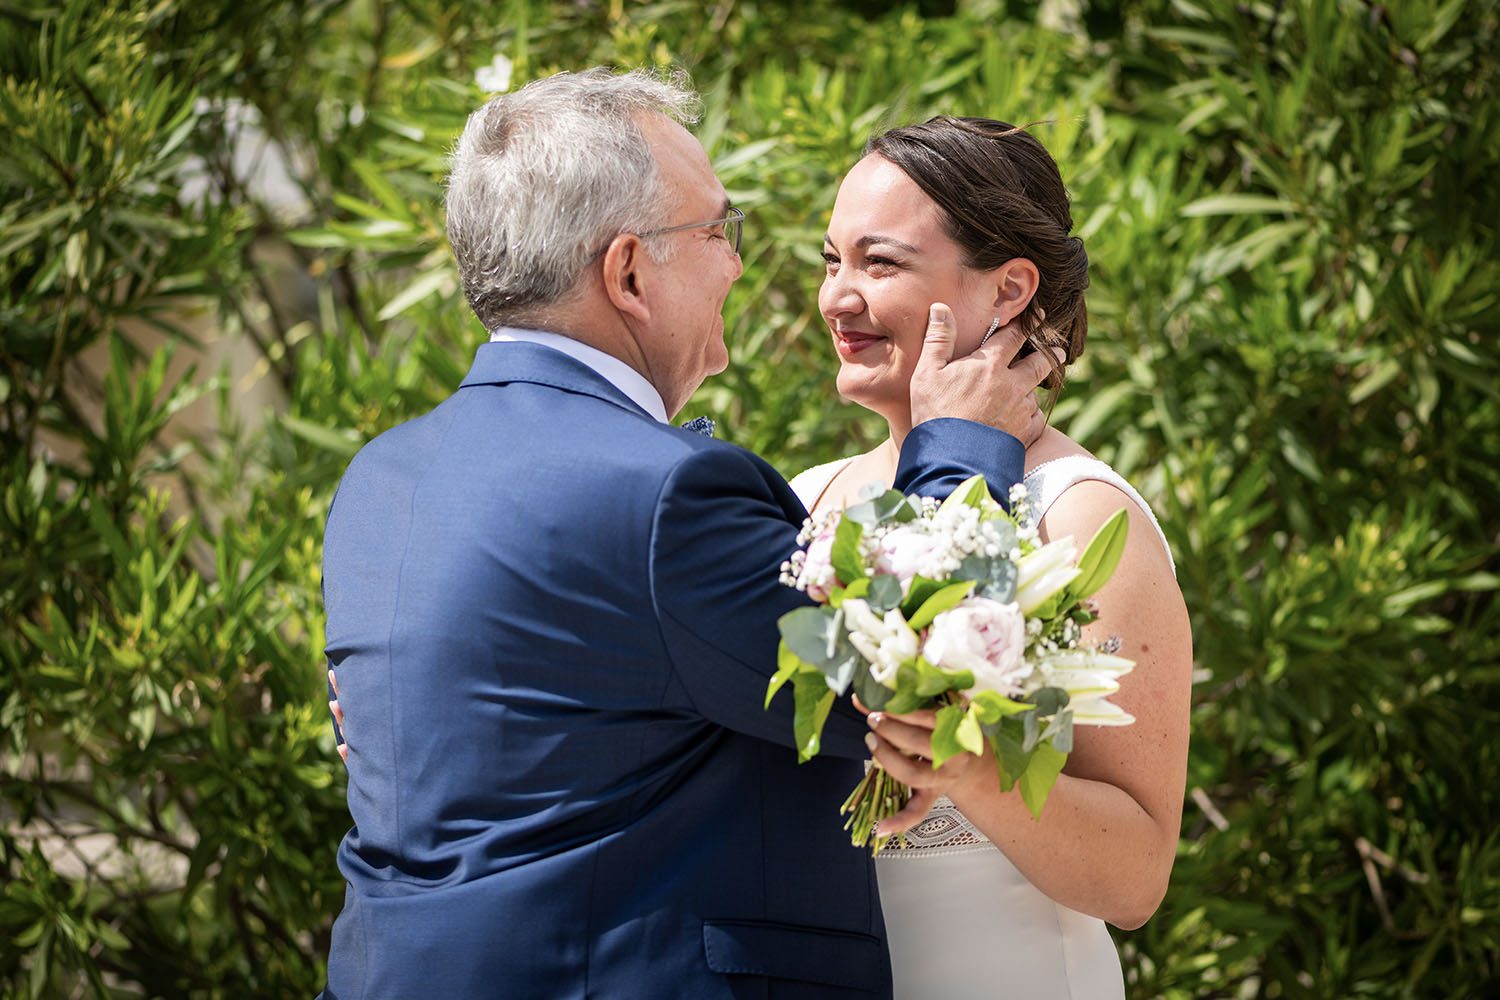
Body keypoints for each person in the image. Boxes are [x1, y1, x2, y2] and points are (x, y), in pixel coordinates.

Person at [318, 72, 1059, 999]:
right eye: (716, 231)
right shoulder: (664, 498)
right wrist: (963, 442)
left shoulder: (378, 481)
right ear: (629, 271)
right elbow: (921, 673)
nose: (739, 266)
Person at [788, 116, 1192, 998]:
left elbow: (1136, 878)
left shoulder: (1082, 517)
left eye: (879, 263)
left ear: (1009, 289)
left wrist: (974, 773)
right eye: (831, 261)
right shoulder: (809, 497)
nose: (837, 298)